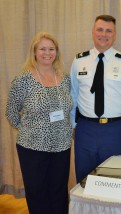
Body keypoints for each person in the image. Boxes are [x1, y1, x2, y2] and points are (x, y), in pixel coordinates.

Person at [6, 32, 72, 214]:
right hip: (32, 147)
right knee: (38, 193)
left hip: (62, 145)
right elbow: (11, 112)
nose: (47, 53)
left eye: (51, 49)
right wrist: (30, 130)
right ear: (34, 52)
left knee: (59, 192)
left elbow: (68, 108)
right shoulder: (23, 80)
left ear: (56, 52)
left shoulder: (64, 78)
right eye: (42, 48)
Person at [70, 15, 121, 183]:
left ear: (114, 35)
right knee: (84, 180)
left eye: (109, 31)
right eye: (100, 29)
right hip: (85, 129)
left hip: (114, 130)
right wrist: (74, 126)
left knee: (114, 180)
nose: (104, 34)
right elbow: (73, 96)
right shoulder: (79, 61)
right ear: (93, 32)